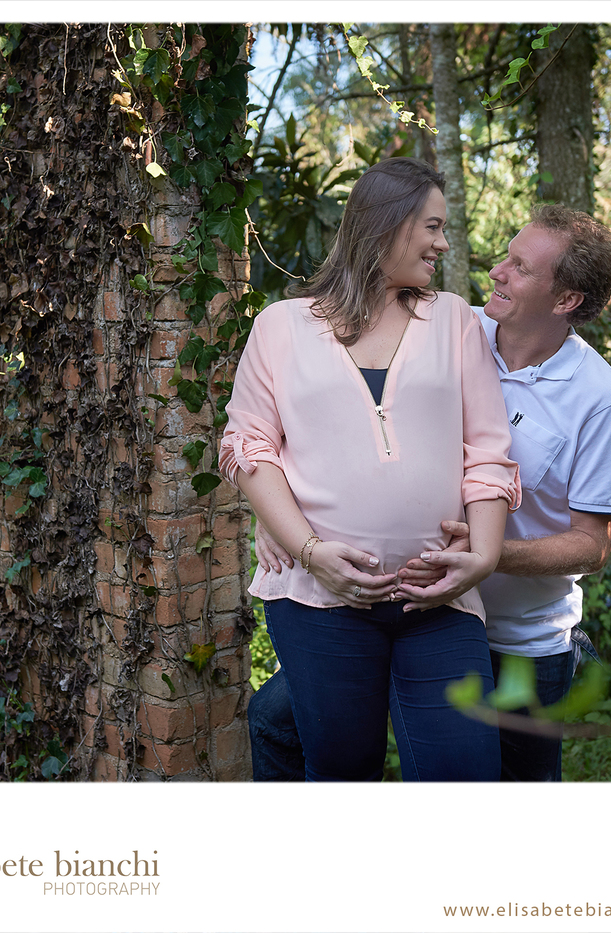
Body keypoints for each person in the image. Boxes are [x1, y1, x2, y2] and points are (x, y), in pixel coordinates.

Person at [250, 203, 611, 782]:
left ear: (565, 301)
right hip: (396, 605)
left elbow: (592, 545)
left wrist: (487, 555)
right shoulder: (450, 329)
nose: (496, 271)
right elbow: (332, 421)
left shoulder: (602, 399)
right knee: (279, 723)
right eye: (505, 255)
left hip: (518, 639)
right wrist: (280, 515)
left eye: (521, 268)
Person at [220, 157, 522, 782]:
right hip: (318, 604)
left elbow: (488, 453)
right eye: (432, 227)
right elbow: (249, 447)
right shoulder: (281, 326)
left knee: (462, 777)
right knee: (343, 774)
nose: (443, 242)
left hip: (438, 601)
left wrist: (485, 557)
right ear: (388, 224)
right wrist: (307, 550)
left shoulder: (455, 321)